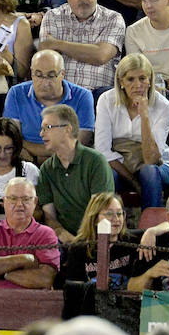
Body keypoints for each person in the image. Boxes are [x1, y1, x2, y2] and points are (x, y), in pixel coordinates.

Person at [94, 53, 169, 209]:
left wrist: (144, 116)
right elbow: (102, 150)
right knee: (106, 174)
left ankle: (152, 229)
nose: (138, 85)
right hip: (118, 161)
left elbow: (152, 159)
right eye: (131, 79)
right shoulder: (106, 100)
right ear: (121, 82)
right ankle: (106, 228)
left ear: (150, 80)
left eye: (143, 78)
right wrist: (133, 180)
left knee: (149, 172)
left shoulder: (163, 106)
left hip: (157, 164)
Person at [35, 103, 112, 242]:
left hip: (95, 238)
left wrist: (82, 244)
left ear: (67, 129)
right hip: (63, 241)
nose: (41, 134)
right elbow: (49, 217)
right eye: (42, 129)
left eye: (48, 127)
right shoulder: (46, 169)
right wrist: (66, 238)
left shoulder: (96, 162)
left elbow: (101, 212)